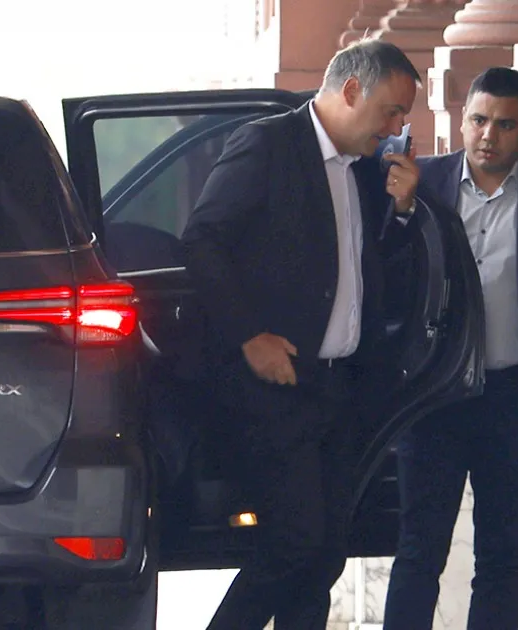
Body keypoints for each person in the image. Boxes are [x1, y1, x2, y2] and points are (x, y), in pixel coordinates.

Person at [180, 39, 423, 630]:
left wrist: (404, 212)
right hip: (275, 386)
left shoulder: (365, 172)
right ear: (351, 90)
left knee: (327, 553)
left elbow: (376, 273)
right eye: (391, 110)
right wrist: (250, 336)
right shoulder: (267, 144)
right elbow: (203, 241)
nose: (396, 128)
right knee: (294, 541)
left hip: (340, 388)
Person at [382, 67, 518, 630]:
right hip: (432, 399)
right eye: (479, 120)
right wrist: (402, 210)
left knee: (501, 558)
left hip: (512, 400)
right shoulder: (421, 184)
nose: (488, 135)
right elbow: (383, 275)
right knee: (418, 551)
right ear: (462, 121)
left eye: (505, 125)